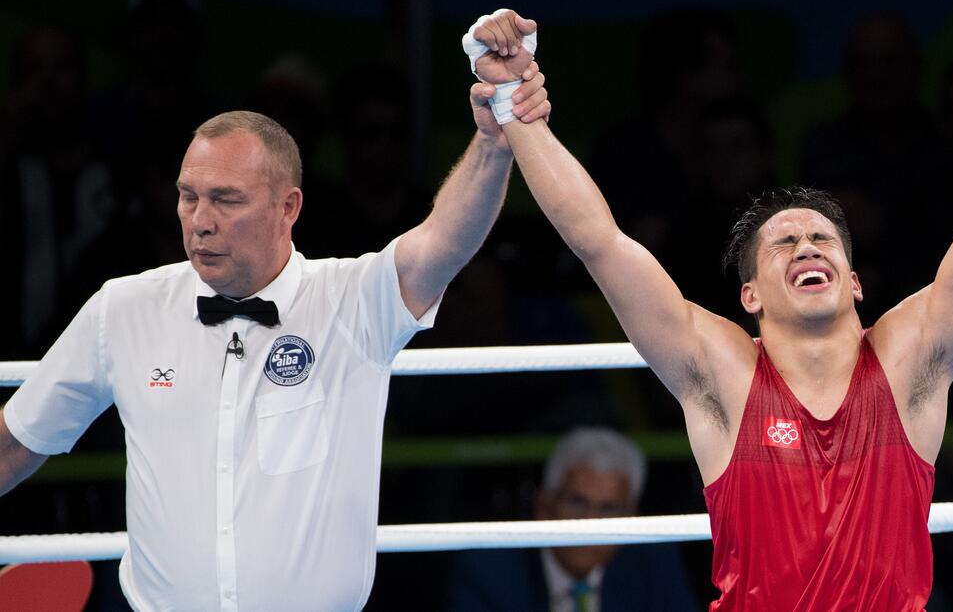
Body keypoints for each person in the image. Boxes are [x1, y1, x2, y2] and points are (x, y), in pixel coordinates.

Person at [467, 0, 953, 610]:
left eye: (822, 238)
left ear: (855, 282)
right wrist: (512, 99)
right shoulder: (721, 373)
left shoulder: (908, 359)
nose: (807, 245)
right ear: (749, 294)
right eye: (783, 243)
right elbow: (599, 243)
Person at [0, 69, 551, 608]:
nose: (200, 220)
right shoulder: (123, 309)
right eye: (188, 196)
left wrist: (494, 138)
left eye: (226, 199)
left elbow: (445, 241)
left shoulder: (352, 300)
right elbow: (15, 441)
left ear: (288, 207)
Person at [449, 427, 697, 611]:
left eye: (609, 508)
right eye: (578, 502)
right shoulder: (490, 570)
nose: (591, 520)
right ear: (544, 505)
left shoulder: (653, 562)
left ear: (631, 516)